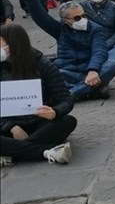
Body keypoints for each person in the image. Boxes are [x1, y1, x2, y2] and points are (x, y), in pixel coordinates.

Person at [0, 24, 77, 165]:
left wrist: (54, 112)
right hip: (8, 126)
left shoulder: (42, 64)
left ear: (14, 44)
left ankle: (11, 152)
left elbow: (65, 99)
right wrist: (11, 126)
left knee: (68, 121)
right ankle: (46, 152)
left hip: (40, 123)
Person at [24, 0, 115, 100]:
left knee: (112, 64)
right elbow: (40, 17)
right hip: (66, 72)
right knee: (43, 72)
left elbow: (99, 51)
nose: (83, 19)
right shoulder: (60, 29)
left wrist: (93, 71)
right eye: (77, 18)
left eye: (84, 15)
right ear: (65, 21)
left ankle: (71, 94)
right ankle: (92, 90)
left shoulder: (95, 29)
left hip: (88, 71)